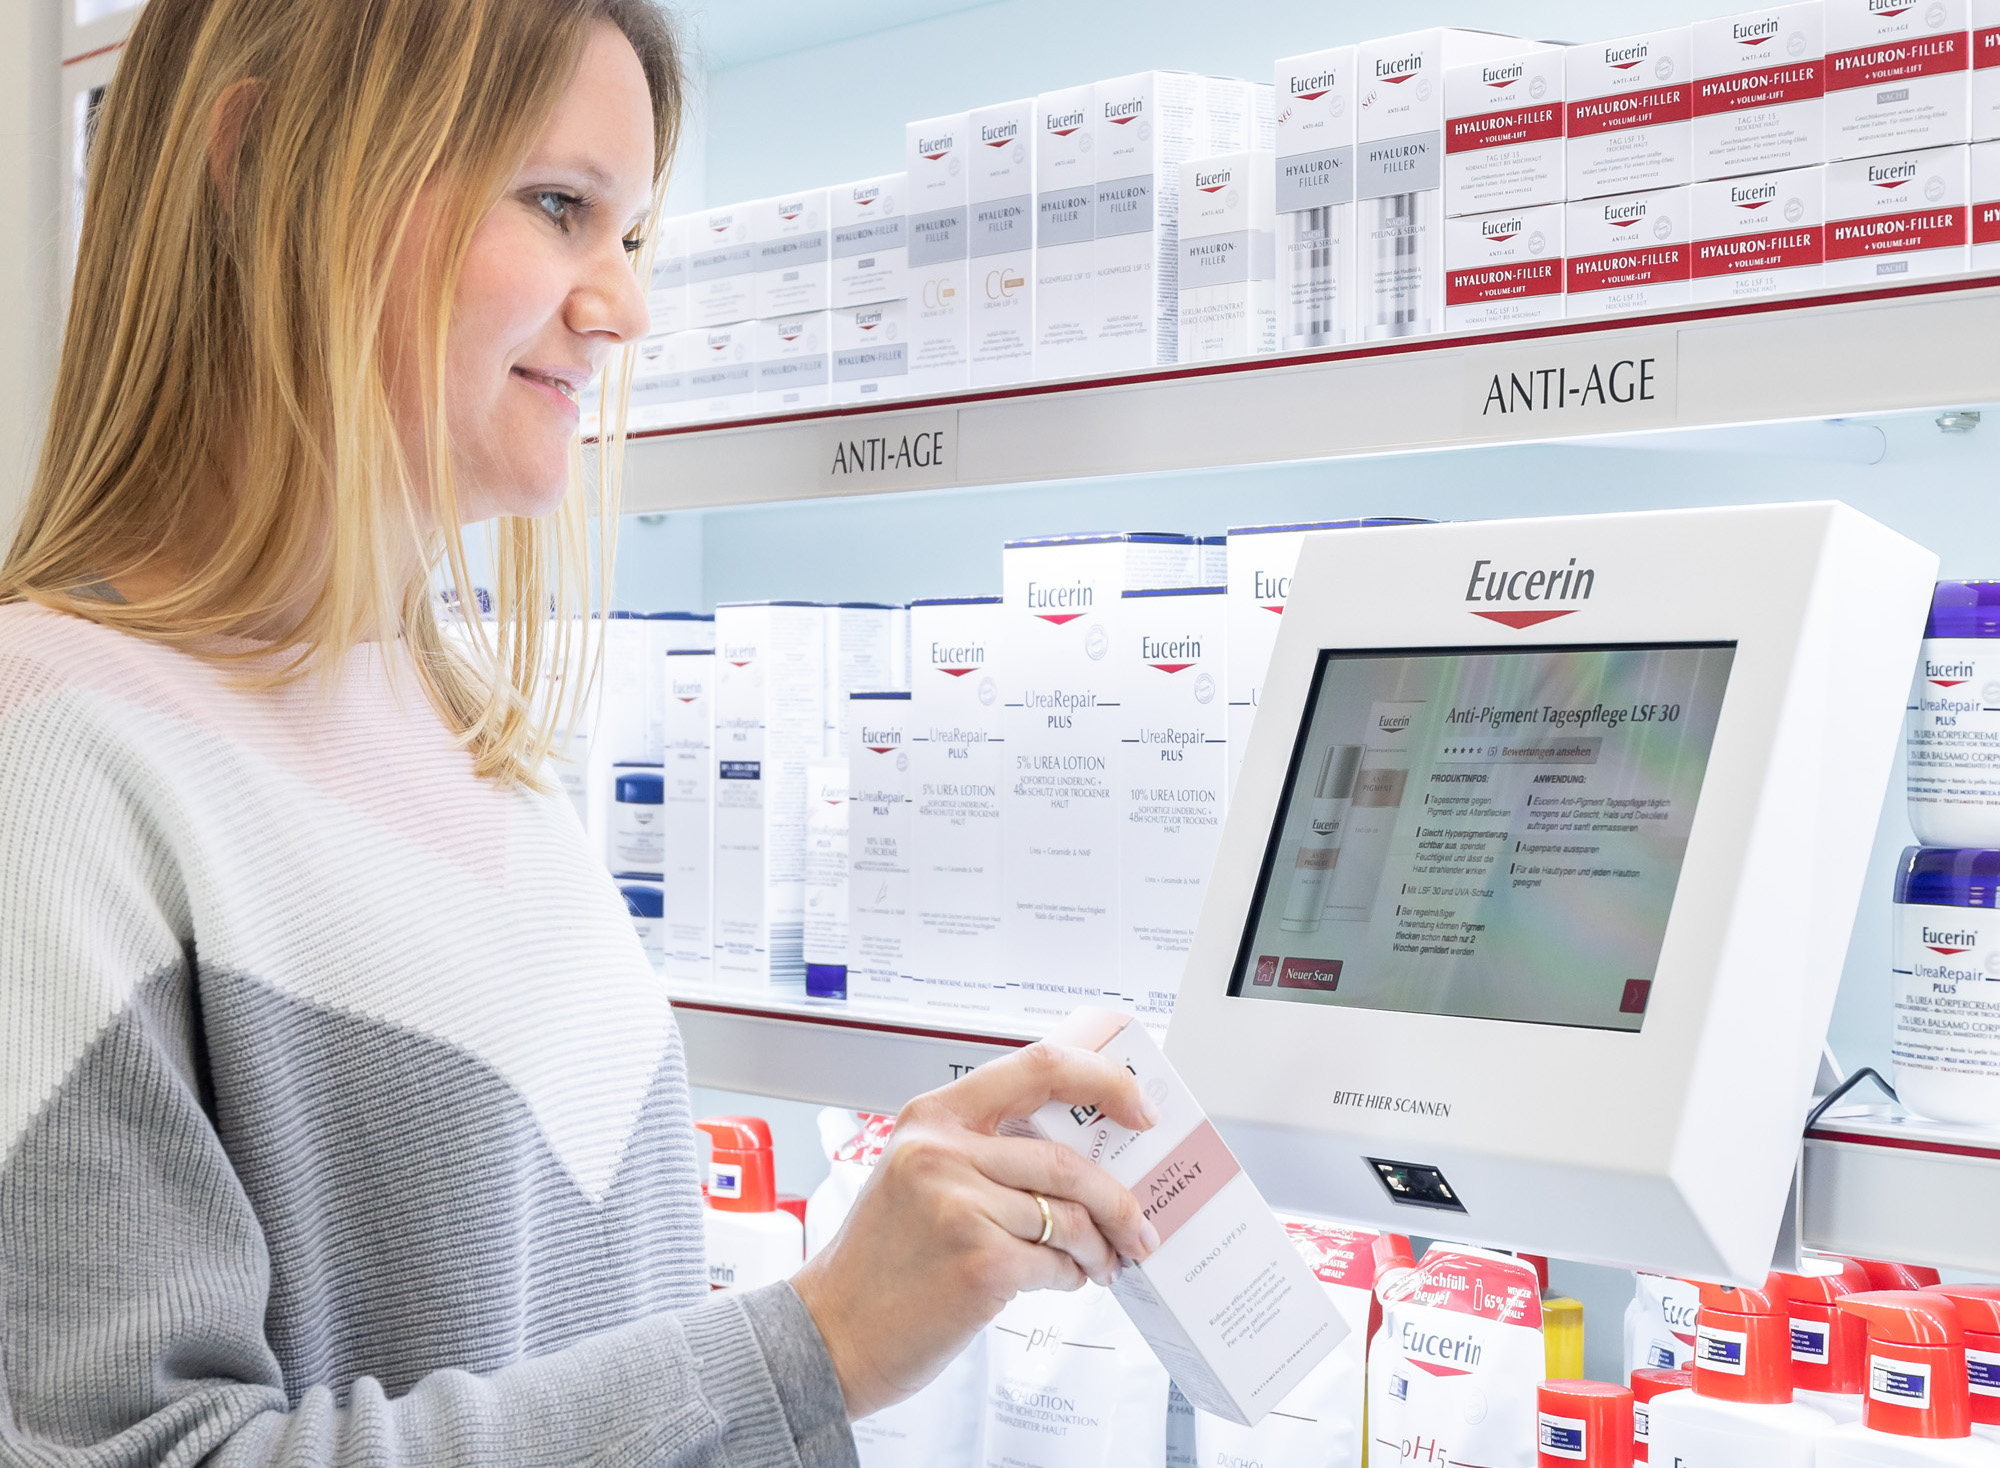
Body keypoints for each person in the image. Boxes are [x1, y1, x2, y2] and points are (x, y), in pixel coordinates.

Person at [0, 3, 1160, 1465]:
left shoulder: (467, 737)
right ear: (259, 166)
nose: (623, 307)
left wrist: (883, 1254)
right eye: (558, 207)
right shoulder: (52, 757)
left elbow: (571, 1338)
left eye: (632, 236)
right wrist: (814, 1344)